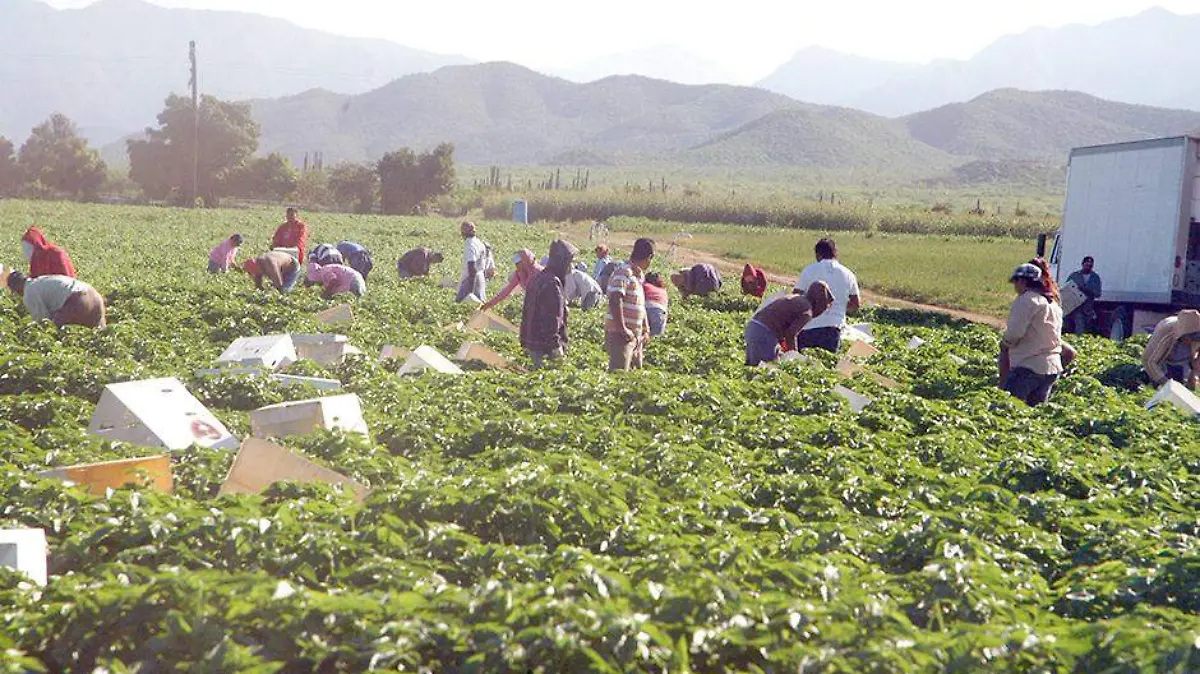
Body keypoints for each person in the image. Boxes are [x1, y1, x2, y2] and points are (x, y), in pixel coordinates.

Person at [1000, 262, 1064, 407]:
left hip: (1028, 366)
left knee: (1010, 409)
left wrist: (1004, 343)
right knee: (1034, 412)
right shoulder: (1053, 304)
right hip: (1051, 368)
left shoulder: (1027, 300)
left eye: (1016, 282)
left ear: (1022, 281)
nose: (1015, 287)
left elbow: (1015, 333)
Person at [793, 238, 860, 353]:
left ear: (818, 255)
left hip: (809, 325)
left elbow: (795, 297)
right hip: (833, 328)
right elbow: (855, 304)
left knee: (805, 363)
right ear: (835, 253)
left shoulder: (810, 270)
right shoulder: (848, 274)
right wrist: (838, 305)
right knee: (826, 365)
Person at [520, 240, 579, 369]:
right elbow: (551, 319)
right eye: (570, 261)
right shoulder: (552, 283)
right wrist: (556, 348)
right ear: (561, 261)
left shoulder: (539, 278)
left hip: (532, 342)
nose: (571, 265)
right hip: (544, 348)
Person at [744, 285, 826, 366]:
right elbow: (790, 334)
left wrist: (784, 346)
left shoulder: (797, 298)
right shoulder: (807, 311)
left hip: (753, 327)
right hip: (764, 334)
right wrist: (794, 357)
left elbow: (780, 323)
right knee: (765, 371)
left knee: (754, 369)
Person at [606, 238, 654, 371]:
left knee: (633, 377)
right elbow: (615, 300)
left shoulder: (638, 276)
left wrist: (646, 329)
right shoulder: (624, 272)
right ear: (649, 257)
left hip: (634, 336)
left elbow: (640, 305)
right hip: (620, 335)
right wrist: (622, 328)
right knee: (619, 373)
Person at [7, 271, 105, 328]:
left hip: (79, 301)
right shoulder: (40, 280)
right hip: (95, 296)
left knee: (56, 327)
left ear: (16, 287)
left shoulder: (29, 292)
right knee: (98, 333)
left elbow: (43, 321)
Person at [1142, 309, 1200, 390]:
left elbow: (1197, 363)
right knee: (1155, 379)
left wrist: (1194, 374)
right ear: (1184, 334)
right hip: (1163, 356)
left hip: (1181, 361)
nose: (1194, 339)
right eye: (1191, 336)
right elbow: (1148, 361)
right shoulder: (1165, 332)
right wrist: (1165, 383)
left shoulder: (1197, 336)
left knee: (1180, 381)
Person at [1064, 256, 1103, 335]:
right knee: (1073, 327)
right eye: (1086, 264)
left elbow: (1098, 293)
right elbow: (1067, 288)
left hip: (1087, 308)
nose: (1088, 267)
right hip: (1073, 307)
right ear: (1082, 264)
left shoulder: (1095, 278)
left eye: (1090, 265)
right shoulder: (1075, 275)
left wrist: (1087, 291)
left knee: (1084, 329)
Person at [457, 221, 488, 303]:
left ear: (463, 233)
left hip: (472, 277)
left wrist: (470, 285)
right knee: (480, 303)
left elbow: (471, 265)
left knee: (461, 302)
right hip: (480, 276)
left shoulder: (469, 245)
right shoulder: (479, 242)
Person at [643, 272, 670, 337]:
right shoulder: (663, 290)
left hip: (645, 308)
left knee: (640, 335)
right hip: (660, 311)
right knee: (655, 337)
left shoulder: (645, 285)